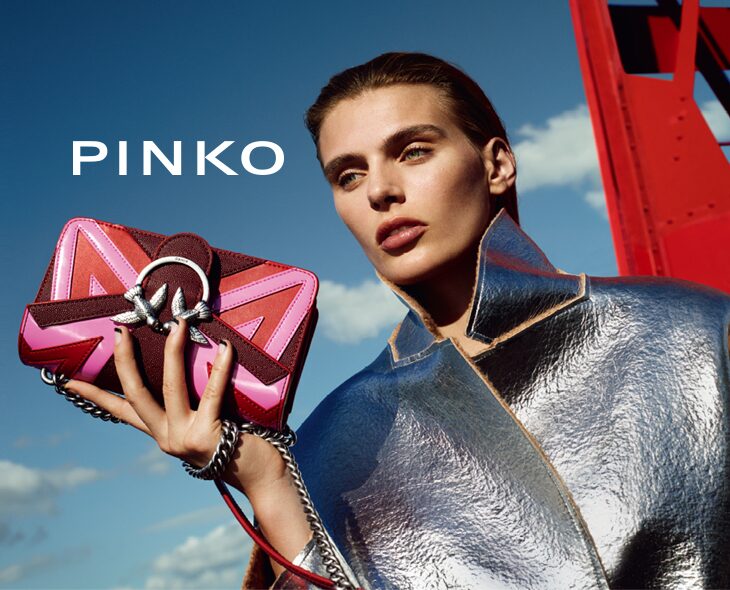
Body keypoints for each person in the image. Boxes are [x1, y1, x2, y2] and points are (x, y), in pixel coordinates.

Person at [67, 52, 730, 590]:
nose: (380, 191)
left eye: (413, 151)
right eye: (348, 176)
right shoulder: (332, 439)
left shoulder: (688, 331)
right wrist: (265, 482)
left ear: (497, 164)